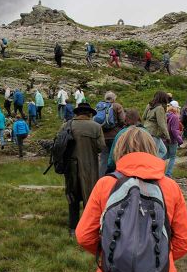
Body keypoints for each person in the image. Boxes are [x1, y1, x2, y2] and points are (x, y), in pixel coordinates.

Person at [76, 127, 187, 272]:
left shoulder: (105, 184)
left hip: (113, 270)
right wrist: (155, 260)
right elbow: (184, 242)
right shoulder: (171, 186)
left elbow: (84, 235)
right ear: (152, 149)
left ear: (119, 150)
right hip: (161, 271)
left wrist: (114, 254)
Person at [62, 103, 106, 236]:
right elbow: (101, 147)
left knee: (72, 197)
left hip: (71, 168)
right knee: (90, 197)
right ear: (90, 114)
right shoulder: (96, 127)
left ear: (77, 113)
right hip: (90, 167)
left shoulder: (66, 125)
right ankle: (89, 228)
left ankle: (73, 228)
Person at [106, 109, 144, 173]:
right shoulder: (146, 132)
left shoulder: (121, 133)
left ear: (126, 118)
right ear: (138, 118)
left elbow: (113, 155)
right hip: (142, 169)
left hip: (124, 170)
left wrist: (110, 168)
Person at [98, 91, 126, 177]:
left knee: (103, 158)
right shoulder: (117, 106)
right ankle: (114, 178)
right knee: (115, 157)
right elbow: (122, 120)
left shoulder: (100, 106)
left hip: (103, 136)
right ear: (113, 99)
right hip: (115, 136)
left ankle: (102, 178)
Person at [142, 91, 170, 159]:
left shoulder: (149, 105)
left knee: (163, 151)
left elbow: (143, 117)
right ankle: (150, 165)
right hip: (154, 133)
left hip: (146, 131)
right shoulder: (160, 108)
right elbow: (162, 124)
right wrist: (167, 136)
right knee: (153, 154)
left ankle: (150, 163)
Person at [164, 100, 183, 177]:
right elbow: (174, 130)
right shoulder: (175, 117)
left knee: (165, 155)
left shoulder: (165, 115)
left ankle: (158, 170)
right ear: (176, 108)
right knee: (172, 157)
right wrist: (180, 140)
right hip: (173, 139)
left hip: (165, 139)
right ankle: (168, 174)